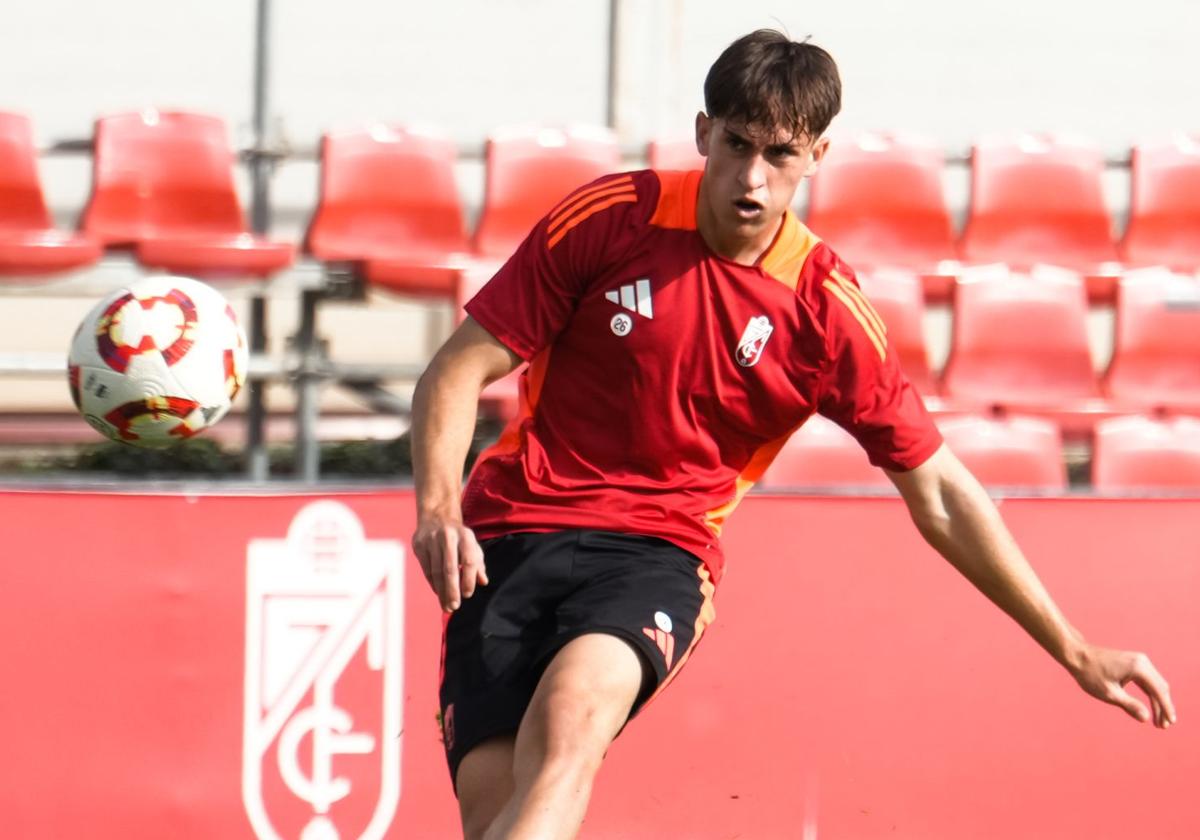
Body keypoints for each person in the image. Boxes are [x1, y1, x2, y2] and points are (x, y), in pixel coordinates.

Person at [410, 29, 1176, 840]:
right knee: (495, 810)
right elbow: (456, 371)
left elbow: (944, 496)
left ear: (817, 156)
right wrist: (436, 510)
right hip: (510, 530)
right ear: (703, 133)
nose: (751, 177)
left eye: (780, 154)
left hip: (657, 552)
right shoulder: (609, 219)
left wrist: (1075, 648)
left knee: (568, 728)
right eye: (736, 145)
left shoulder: (825, 313)